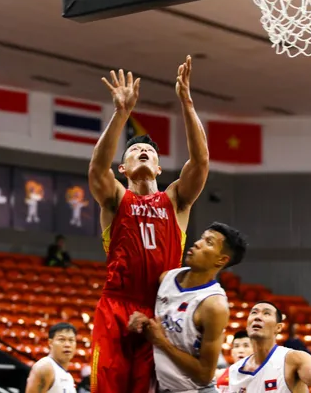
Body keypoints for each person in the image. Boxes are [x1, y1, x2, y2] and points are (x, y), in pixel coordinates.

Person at [88, 55, 209, 393]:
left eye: (149, 151)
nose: (143, 151)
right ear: (123, 169)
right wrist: (121, 114)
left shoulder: (175, 200)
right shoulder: (115, 198)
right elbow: (97, 171)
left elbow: (200, 162)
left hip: (160, 312)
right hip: (116, 307)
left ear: (158, 168)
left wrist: (186, 102)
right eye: (135, 150)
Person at [128, 222, 247, 393]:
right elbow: (155, 322)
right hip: (163, 387)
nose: (197, 243)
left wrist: (161, 342)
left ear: (221, 259)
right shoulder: (167, 278)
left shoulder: (214, 305)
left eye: (209, 242)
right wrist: (141, 320)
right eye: (201, 238)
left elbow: (205, 375)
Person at [229, 302, 311, 392]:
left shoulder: (293, 358)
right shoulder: (234, 370)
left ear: (278, 328)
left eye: (266, 314)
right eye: (254, 313)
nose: (257, 317)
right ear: (247, 326)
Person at [25, 322, 78, 393]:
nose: (67, 345)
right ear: (50, 343)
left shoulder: (67, 375)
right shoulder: (45, 368)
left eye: (71, 340)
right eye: (62, 340)